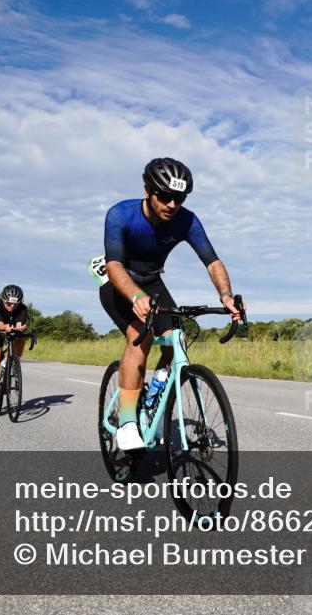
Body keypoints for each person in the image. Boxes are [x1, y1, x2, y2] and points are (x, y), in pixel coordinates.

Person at [101, 157, 241, 451]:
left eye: (179, 198)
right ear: (147, 190)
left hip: (153, 282)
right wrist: (136, 296)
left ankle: (152, 397)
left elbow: (212, 261)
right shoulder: (120, 215)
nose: (172, 204)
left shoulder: (187, 220)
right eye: (164, 196)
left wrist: (226, 295)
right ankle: (127, 423)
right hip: (120, 283)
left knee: (179, 337)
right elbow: (113, 265)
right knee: (140, 335)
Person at [0, 285, 29, 409]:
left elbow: (20, 322)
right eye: (9, 303)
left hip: (11, 329)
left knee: (22, 335)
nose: (12, 306)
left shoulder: (23, 308)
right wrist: (6, 327)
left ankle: (12, 360)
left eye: (15, 304)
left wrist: (20, 327)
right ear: (3, 299)